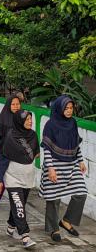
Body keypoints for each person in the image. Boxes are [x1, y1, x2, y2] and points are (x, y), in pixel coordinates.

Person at [39, 95, 87, 243]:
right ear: (59, 108)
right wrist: (51, 169)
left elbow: (75, 144)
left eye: (71, 108)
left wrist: (80, 161)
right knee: (53, 198)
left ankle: (66, 221)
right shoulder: (50, 125)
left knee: (81, 193)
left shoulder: (72, 123)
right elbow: (47, 149)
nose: (69, 111)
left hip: (71, 166)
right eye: (66, 108)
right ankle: (54, 228)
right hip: (55, 166)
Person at [0, 110, 39, 248]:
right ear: (19, 121)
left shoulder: (33, 135)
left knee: (19, 204)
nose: (30, 122)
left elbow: (36, 154)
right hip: (12, 178)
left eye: (31, 119)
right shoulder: (10, 136)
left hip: (27, 178)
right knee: (19, 205)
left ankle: (10, 226)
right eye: (27, 120)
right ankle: (25, 236)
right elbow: (2, 160)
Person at [0, 94, 22, 210]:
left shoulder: (23, 118)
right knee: (1, 179)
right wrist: (5, 146)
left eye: (18, 104)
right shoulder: (2, 119)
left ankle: (17, 204)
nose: (16, 106)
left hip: (19, 155)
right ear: (8, 105)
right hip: (5, 154)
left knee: (16, 180)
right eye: (13, 104)